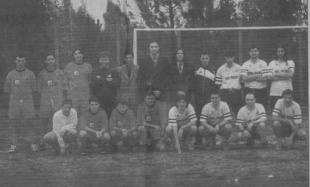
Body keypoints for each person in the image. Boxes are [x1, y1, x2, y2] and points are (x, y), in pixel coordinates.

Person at [4, 54, 38, 153]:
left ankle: (33, 144)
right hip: (15, 102)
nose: (20, 63)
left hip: (27, 101)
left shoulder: (30, 74)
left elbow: (34, 90)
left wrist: (34, 105)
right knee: (15, 124)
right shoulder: (10, 75)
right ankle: (14, 145)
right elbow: (7, 91)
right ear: (15, 61)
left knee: (30, 123)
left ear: (25, 61)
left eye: (22, 61)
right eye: (18, 61)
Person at [37, 54, 67, 150]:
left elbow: (65, 87)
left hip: (58, 100)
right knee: (44, 122)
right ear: (45, 61)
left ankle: (61, 141)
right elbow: (39, 89)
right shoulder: (41, 74)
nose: (50, 61)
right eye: (48, 59)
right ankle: (42, 142)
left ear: (55, 61)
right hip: (46, 101)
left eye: (52, 59)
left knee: (59, 121)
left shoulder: (60, 73)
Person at [190, 51, 216, 145]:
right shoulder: (196, 69)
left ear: (209, 59)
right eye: (203, 58)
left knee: (210, 118)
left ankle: (211, 139)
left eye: (206, 58)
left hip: (209, 98)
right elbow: (192, 83)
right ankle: (198, 140)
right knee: (198, 118)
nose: (205, 60)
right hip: (198, 98)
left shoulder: (214, 70)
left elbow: (216, 85)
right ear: (200, 59)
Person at [64, 48, 92, 117]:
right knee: (74, 112)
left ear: (83, 55)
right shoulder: (69, 66)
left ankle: (84, 127)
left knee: (85, 113)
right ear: (73, 56)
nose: (78, 55)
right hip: (73, 94)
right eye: (75, 54)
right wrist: (68, 91)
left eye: (79, 53)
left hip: (85, 94)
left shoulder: (88, 66)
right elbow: (64, 80)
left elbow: (90, 81)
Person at [92, 51, 120, 118]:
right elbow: (93, 84)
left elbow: (117, 84)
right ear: (99, 60)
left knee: (110, 117)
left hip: (111, 99)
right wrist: (107, 80)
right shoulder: (95, 71)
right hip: (99, 99)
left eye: (105, 59)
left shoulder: (114, 71)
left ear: (109, 60)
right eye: (102, 59)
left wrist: (101, 80)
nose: (104, 61)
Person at [215, 51, 242, 116]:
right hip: (225, 93)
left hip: (236, 93)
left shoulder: (239, 68)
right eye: (227, 57)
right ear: (225, 57)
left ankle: (238, 125)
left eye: (231, 57)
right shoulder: (220, 69)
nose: (229, 59)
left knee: (238, 112)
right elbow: (218, 84)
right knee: (225, 113)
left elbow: (242, 81)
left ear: (234, 57)